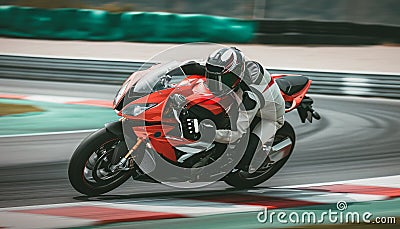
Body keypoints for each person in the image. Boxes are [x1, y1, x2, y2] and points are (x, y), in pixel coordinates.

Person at [180, 47, 285, 172]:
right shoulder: (229, 67)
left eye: (224, 80)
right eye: (212, 77)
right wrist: (171, 71)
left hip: (268, 116)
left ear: (237, 75)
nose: (217, 85)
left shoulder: (250, 98)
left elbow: (236, 135)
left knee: (246, 162)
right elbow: (196, 66)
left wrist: (205, 133)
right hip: (239, 97)